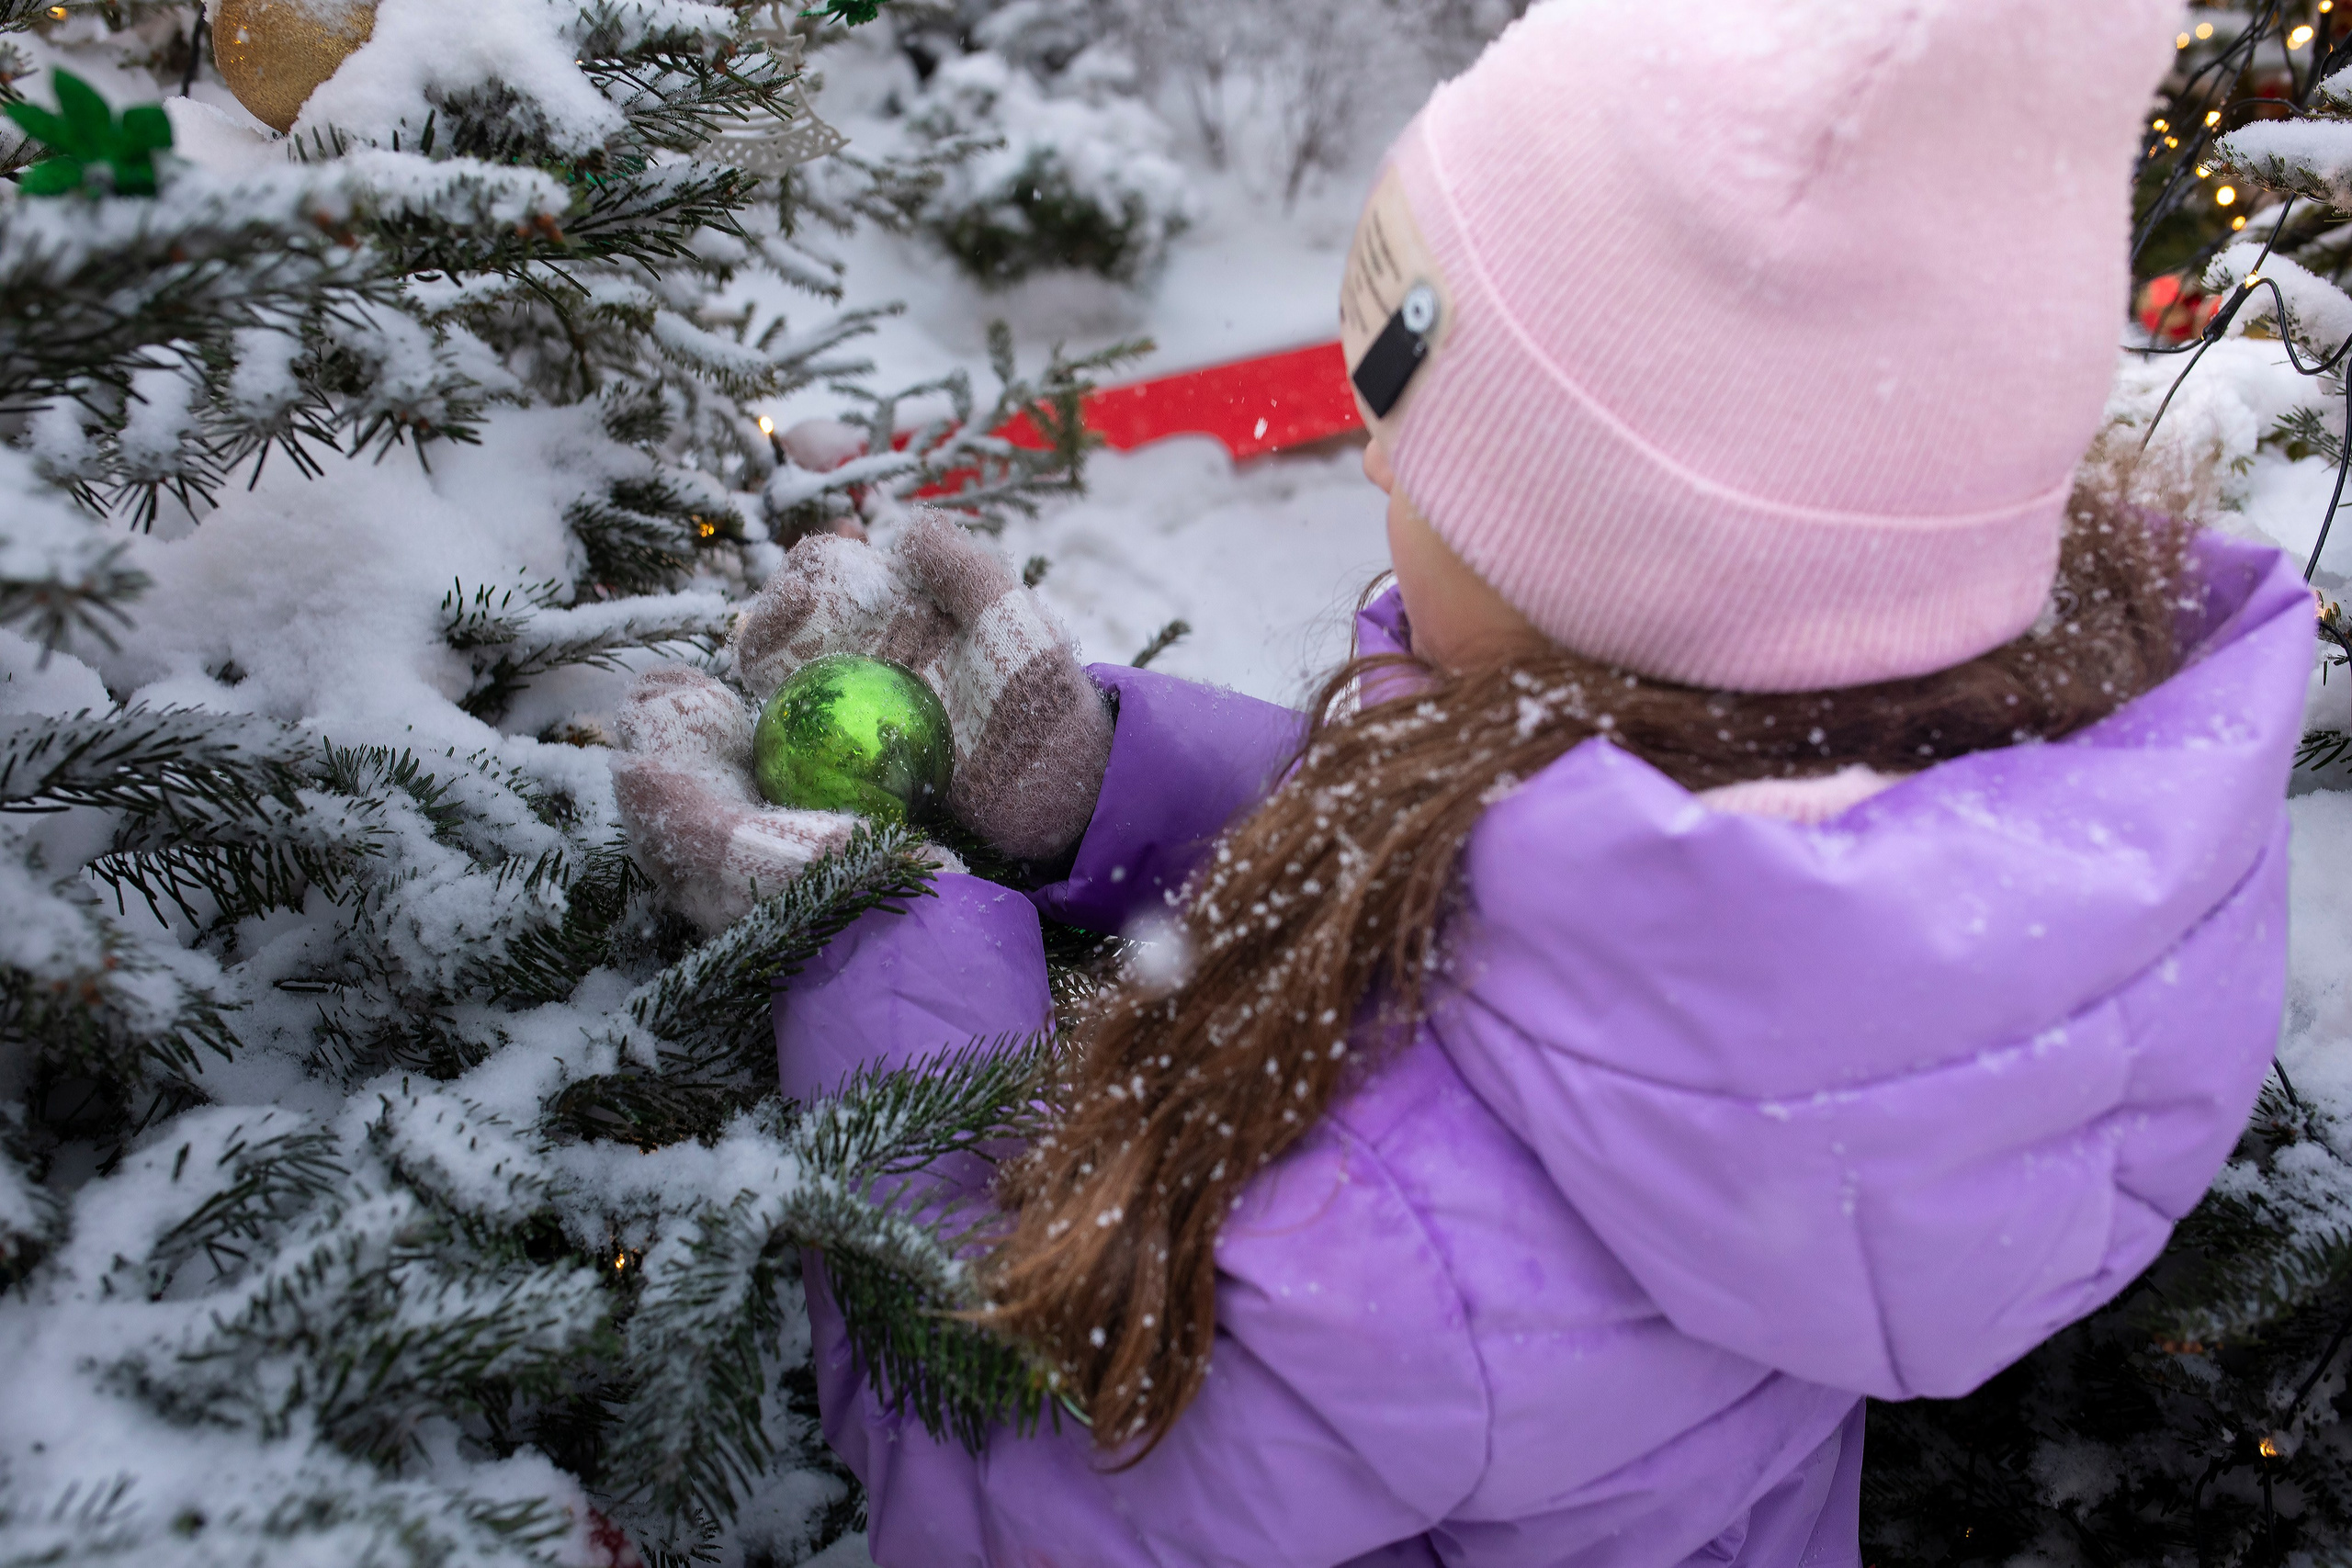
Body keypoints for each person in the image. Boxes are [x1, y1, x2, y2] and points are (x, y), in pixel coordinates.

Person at [611, 1, 2315, 1562]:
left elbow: (1022, 1477)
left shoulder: (1421, 1247)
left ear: (1603, 557)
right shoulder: (1841, 852)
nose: (1369, 458)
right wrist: (1097, 782)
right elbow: (1535, 891)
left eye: (1410, 409)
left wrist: (870, 937)